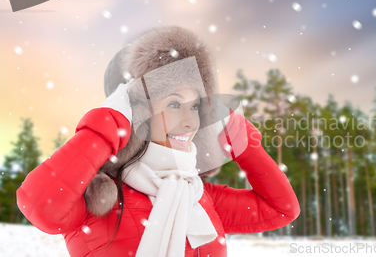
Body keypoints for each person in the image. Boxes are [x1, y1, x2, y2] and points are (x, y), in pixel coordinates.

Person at [16, 26, 300, 257]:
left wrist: (245, 145)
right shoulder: (96, 199)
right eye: (175, 104)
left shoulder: (199, 196)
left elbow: (282, 210)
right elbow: (40, 205)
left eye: (196, 107)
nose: (190, 122)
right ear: (135, 112)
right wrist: (108, 124)